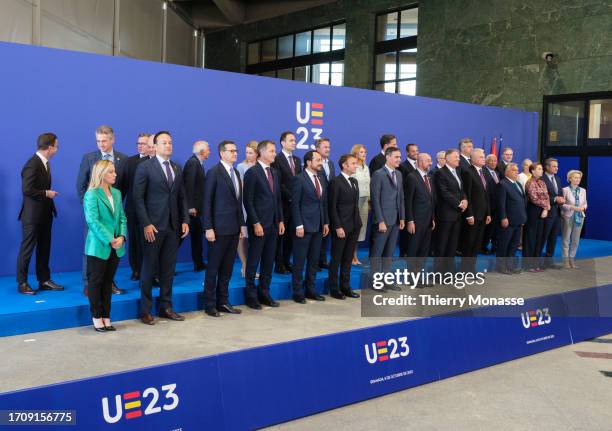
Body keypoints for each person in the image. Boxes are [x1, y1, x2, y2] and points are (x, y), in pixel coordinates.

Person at [133, 131, 190, 325]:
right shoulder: (145, 167)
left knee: (168, 269)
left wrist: (184, 220)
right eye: (164, 143)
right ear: (155, 147)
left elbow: (182, 196)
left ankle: (166, 307)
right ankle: (146, 311)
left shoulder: (176, 167)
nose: (168, 145)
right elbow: (137, 199)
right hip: (153, 227)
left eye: (170, 142)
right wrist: (146, 223)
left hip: (173, 227)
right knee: (148, 269)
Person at [76, 125, 128, 295]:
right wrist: (91, 208)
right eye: (98, 141)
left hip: (114, 212)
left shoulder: (123, 159)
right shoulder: (89, 158)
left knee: (113, 248)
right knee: (92, 247)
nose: (101, 144)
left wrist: (115, 206)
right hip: (96, 214)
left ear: (112, 139)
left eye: (104, 141)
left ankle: (109, 282)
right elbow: (81, 185)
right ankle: (88, 283)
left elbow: (124, 186)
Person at [202, 140, 247, 317]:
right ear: (222, 153)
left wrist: (242, 225)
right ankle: (209, 304)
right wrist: (208, 227)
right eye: (232, 151)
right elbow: (207, 202)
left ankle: (223, 301)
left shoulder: (235, 172)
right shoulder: (214, 172)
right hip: (218, 229)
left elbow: (238, 203)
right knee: (213, 268)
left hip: (234, 228)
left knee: (227, 268)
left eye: (236, 151)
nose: (235, 153)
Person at [16, 133, 63, 295]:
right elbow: (26, 189)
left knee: (44, 248)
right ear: (50, 147)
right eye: (56, 146)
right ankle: (22, 283)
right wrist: (46, 193)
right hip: (32, 216)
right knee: (27, 249)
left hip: (44, 214)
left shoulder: (44, 163)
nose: (57, 149)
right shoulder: (32, 164)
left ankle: (44, 280)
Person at [83, 160, 127, 332]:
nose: (115, 174)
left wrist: (122, 236)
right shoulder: (91, 194)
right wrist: (110, 239)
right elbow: (92, 221)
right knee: (95, 283)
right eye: (111, 172)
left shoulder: (116, 193)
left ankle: (107, 317)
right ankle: (96, 317)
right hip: (99, 246)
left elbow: (122, 218)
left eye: (114, 171)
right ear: (101, 174)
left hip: (116, 246)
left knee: (108, 283)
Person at [243, 140, 285, 309]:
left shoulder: (275, 172)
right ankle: (251, 295)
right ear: (262, 152)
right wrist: (255, 222)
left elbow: (278, 199)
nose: (275, 154)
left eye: (275, 151)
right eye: (272, 151)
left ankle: (264, 293)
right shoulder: (252, 173)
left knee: (269, 261)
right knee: (253, 261)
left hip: (274, 224)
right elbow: (248, 200)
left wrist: (281, 219)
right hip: (259, 225)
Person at [291, 150, 329, 303]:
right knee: (299, 261)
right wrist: (298, 224)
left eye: (321, 159)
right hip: (304, 226)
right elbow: (295, 204)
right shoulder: (299, 179)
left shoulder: (321, 177)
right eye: (317, 159)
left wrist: (325, 222)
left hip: (319, 225)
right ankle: (298, 292)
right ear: (308, 162)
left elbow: (323, 202)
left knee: (313, 261)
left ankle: (311, 290)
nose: (320, 162)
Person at [370, 147, 405, 290]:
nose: (399, 159)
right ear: (388, 157)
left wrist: (402, 218)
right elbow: (375, 199)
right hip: (383, 220)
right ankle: (376, 282)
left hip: (396, 220)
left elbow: (401, 197)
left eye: (399, 157)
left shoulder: (399, 174)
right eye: (396, 157)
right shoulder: (379, 174)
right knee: (377, 253)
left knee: (389, 253)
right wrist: (380, 220)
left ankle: (387, 280)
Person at [328, 154, 362, 299]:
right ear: (344, 165)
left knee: (348, 258)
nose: (356, 166)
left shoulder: (354, 181)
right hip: (341, 227)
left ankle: (346, 286)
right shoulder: (336, 182)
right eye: (353, 163)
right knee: (336, 259)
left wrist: (358, 223)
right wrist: (337, 226)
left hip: (354, 226)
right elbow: (332, 206)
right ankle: (334, 289)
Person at [272, 131, 301, 275]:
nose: (294, 142)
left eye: (294, 140)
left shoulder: (297, 160)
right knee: (280, 236)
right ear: (283, 143)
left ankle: (286, 261)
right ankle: (279, 264)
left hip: (295, 205)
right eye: (291, 140)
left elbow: (300, 181)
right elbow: (279, 183)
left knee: (291, 235)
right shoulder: (277, 159)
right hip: (283, 204)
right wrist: (291, 197)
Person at [433, 149, 467, 272]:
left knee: (452, 245)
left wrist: (465, 199)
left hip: (457, 215)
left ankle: (449, 272)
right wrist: (459, 204)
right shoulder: (440, 173)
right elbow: (444, 193)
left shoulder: (457, 171)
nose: (458, 159)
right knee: (442, 245)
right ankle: (438, 272)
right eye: (456, 157)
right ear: (447, 159)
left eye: (458, 157)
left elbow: (461, 190)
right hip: (445, 215)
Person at [405, 153, 435, 286]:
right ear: (420, 161)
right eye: (428, 161)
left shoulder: (429, 177)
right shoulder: (412, 177)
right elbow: (408, 201)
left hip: (428, 220)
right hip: (416, 221)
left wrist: (433, 218)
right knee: (414, 250)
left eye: (430, 160)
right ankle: (412, 278)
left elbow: (431, 200)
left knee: (423, 251)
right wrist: (410, 220)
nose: (430, 163)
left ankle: (420, 277)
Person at [460, 148, 491, 272]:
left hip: (482, 215)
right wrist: (469, 214)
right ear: (473, 159)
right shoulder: (468, 172)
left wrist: (488, 213)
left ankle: (471, 270)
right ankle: (465, 270)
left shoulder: (483, 172)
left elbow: (486, 195)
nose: (484, 159)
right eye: (481, 157)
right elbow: (467, 195)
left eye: (484, 156)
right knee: (469, 244)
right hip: (472, 215)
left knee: (477, 244)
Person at [125, 133, 151, 281]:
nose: (140, 145)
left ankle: (149, 271)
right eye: (138, 143)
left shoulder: (155, 163)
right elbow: (123, 186)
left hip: (150, 211)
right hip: (133, 210)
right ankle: (135, 269)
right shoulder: (130, 161)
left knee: (148, 243)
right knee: (134, 241)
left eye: (144, 143)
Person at [182, 140, 210, 272]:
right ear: (202, 152)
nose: (209, 152)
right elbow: (189, 186)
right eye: (208, 149)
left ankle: (198, 263)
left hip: (196, 209)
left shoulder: (198, 163)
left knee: (197, 237)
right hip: (192, 210)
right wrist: (190, 206)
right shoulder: (193, 163)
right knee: (186, 238)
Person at [496, 163, 527, 274]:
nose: (516, 172)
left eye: (517, 170)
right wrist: (503, 217)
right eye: (514, 170)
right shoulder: (502, 184)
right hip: (508, 221)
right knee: (504, 244)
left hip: (518, 220)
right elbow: (501, 204)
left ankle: (510, 266)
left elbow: (522, 202)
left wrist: (523, 218)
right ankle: (501, 267)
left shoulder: (518, 183)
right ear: (507, 172)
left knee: (514, 245)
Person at [236, 141, 258, 277]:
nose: (248, 155)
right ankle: (244, 265)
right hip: (244, 206)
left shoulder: (263, 167)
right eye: (247, 152)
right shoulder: (241, 166)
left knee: (255, 239)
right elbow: (240, 188)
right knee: (242, 237)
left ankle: (252, 267)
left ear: (257, 153)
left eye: (251, 152)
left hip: (259, 207)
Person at [523, 162, 550, 272]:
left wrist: (546, 208)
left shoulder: (543, 182)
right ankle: (528, 265)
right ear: (532, 171)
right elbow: (534, 198)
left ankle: (536, 264)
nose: (541, 170)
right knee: (531, 238)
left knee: (539, 237)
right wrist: (545, 207)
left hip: (543, 211)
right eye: (539, 169)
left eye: (541, 168)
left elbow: (547, 196)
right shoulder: (530, 182)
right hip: (533, 211)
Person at [541, 158, 565, 269]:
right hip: (545, 213)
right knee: (542, 237)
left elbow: (559, 194)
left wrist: (561, 199)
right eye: (554, 166)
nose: (556, 168)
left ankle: (549, 261)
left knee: (553, 238)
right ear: (547, 167)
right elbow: (542, 197)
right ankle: (536, 261)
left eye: (557, 166)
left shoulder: (557, 178)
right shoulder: (541, 179)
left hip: (556, 213)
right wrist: (555, 199)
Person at [315, 138, 335, 270]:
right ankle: (314, 262)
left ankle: (322, 260)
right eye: (324, 147)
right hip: (317, 204)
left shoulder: (331, 164)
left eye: (328, 147)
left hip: (329, 203)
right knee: (316, 234)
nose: (327, 149)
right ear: (317, 149)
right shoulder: (313, 164)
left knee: (325, 233)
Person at [561, 170, 587, 269]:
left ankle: (572, 259)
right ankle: (565, 261)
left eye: (579, 178)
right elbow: (562, 204)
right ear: (570, 179)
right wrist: (573, 207)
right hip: (568, 216)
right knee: (566, 239)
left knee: (575, 240)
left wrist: (583, 207)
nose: (577, 179)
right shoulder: (565, 190)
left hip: (580, 216)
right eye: (575, 177)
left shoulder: (583, 190)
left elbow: (585, 203)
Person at [350, 144, 370, 265]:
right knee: (353, 230)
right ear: (356, 153)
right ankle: (351, 257)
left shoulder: (365, 167)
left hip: (365, 202)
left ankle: (355, 256)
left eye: (365, 152)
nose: (364, 154)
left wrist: (369, 200)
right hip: (355, 202)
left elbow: (368, 184)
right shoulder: (353, 167)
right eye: (361, 152)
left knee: (360, 231)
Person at [398, 143, 418, 257]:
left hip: (418, 202)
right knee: (406, 230)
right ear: (407, 153)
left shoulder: (419, 165)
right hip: (407, 201)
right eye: (413, 151)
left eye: (417, 150)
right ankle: (404, 252)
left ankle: (412, 251)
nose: (416, 153)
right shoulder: (403, 166)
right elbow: (403, 186)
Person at [481, 154, 500, 254]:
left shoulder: (497, 173)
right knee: (486, 229)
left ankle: (494, 246)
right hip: (488, 205)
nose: (493, 163)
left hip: (497, 206)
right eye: (491, 161)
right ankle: (483, 247)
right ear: (486, 162)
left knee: (494, 229)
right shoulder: (483, 172)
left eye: (495, 161)